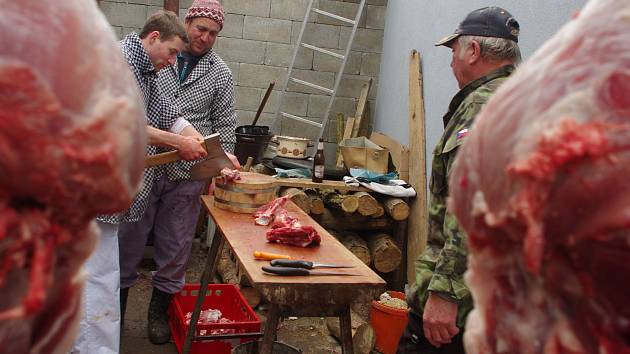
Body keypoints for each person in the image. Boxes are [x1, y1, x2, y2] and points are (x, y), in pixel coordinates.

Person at [71, 10, 207, 354]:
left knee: (101, 279)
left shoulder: (147, 70)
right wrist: (179, 144)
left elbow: (167, 115)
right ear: (154, 38)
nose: (175, 61)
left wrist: (199, 141)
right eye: (173, 52)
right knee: (92, 280)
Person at [397, 7, 521, 354]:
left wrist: (445, 292)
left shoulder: (484, 107)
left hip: (462, 304)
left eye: (454, 51)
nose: (451, 62)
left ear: (473, 51)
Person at [118, 0, 240, 345]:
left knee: (176, 246)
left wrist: (222, 162)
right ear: (187, 23)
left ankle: (158, 313)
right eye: (200, 28)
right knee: (128, 239)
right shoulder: (157, 57)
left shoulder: (221, 73)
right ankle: (117, 309)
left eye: (213, 33)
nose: (204, 37)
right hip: (144, 162)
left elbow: (225, 124)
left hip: (189, 172)